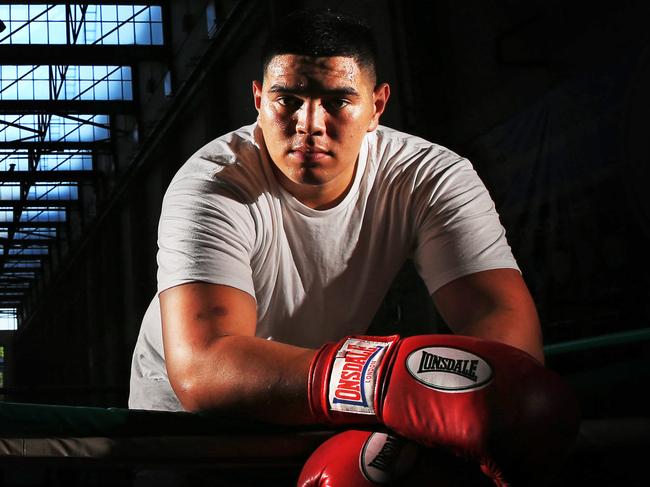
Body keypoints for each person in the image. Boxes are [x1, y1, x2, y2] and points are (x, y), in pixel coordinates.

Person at [129, 8, 543, 417]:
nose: (309, 123)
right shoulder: (212, 183)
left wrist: (480, 400)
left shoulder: (428, 176)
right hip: (186, 423)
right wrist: (382, 381)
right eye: (287, 100)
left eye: (337, 101)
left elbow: (502, 325)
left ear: (376, 107)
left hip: (325, 400)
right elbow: (205, 368)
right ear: (258, 101)